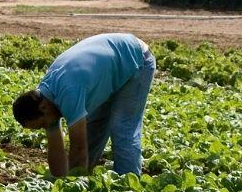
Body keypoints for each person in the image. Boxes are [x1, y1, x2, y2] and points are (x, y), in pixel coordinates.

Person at [12, 33, 155, 177]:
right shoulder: (45, 99)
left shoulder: (69, 93)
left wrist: (72, 189)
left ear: (43, 108)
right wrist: (59, 183)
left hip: (136, 58)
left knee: (122, 129)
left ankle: (128, 187)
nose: (46, 127)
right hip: (109, 67)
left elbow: (78, 147)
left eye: (42, 125)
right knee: (93, 128)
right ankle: (86, 177)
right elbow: (56, 150)